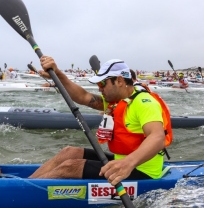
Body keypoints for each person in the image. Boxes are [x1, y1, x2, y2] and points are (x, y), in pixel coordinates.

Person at [29, 56, 172, 185]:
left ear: (120, 81)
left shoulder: (144, 103)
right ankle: (26, 183)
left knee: (70, 167)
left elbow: (157, 137)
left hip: (142, 171)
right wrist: (58, 74)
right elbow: (82, 96)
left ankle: (24, 190)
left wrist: (127, 163)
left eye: (103, 84)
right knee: (69, 152)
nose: (100, 89)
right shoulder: (116, 101)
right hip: (121, 161)